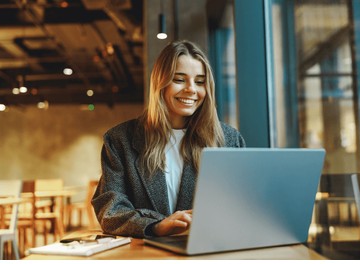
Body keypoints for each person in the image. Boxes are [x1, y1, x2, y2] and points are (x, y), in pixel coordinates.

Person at [92, 40, 245, 238]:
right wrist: (156, 225)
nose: (191, 89)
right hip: (146, 257)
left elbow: (241, 205)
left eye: (199, 82)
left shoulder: (230, 140)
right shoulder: (120, 140)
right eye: (179, 79)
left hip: (210, 252)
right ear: (160, 84)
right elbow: (110, 211)